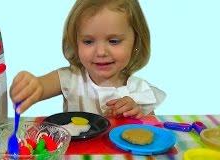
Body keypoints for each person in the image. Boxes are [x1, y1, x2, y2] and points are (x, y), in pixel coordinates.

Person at [10, 0, 166, 119]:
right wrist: (30, 86)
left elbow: (152, 131)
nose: (100, 52)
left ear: (136, 42)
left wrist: (136, 113)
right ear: (75, 42)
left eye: (114, 41)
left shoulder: (139, 89)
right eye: (88, 42)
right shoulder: (71, 78)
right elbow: (41, 86)